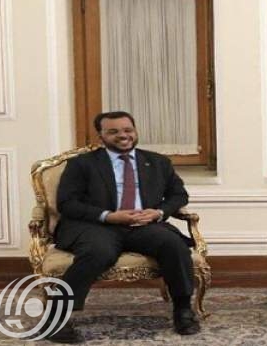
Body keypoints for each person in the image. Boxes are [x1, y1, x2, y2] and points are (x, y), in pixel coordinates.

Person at [45, 111, 200, 343]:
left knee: (173, 245)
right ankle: (56, 316)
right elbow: (67, 203)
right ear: (101, 136)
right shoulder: (81, 164)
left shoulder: (158, 162)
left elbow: (179, 195)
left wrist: (158, 212)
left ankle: (183, 310)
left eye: (128, 130)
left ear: (135, 131)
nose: (123, 135)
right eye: (113, 132)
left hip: (142, 225)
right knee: (98, 251)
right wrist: (109, 216)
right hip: (96, 225)